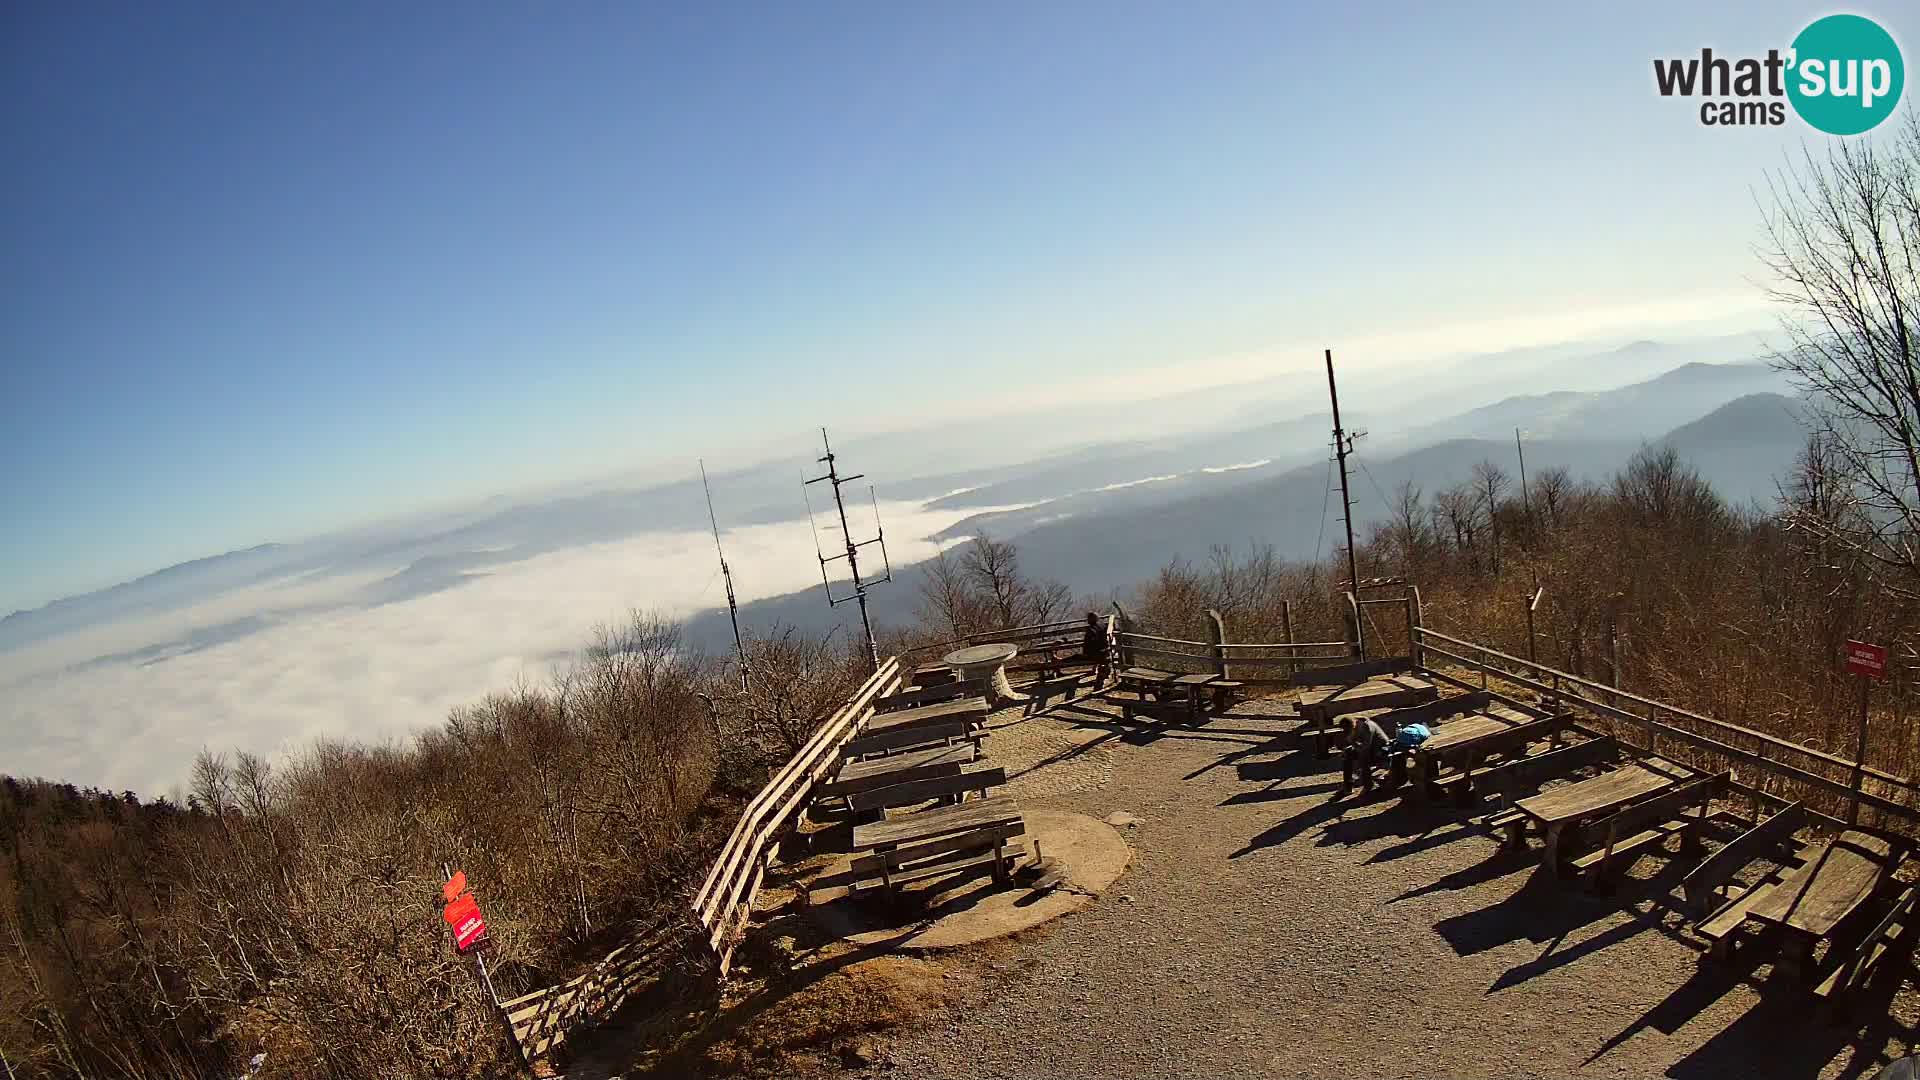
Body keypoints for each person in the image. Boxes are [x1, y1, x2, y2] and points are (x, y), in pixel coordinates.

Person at [1339, 719, 1430, 796]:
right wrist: (1350, 745)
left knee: (1363, 758)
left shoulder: (1367, 727)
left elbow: (1365, 747)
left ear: (1353, 726)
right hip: (1369, 749)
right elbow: (1356, 743)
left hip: (1381, 750)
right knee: (1347, 754)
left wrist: (1352, 743)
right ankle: (1348, 786)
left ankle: (1368, 785)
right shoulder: (1355, 726)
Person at [1080, 612, 1111, 687]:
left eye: (1088, 618)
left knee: (1075, 657)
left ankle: (1059, 661)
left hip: (1094, 654)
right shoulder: (1103, 626)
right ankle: (1103, 675)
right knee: (1104, 662)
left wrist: (1086, 651)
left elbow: (1090, 643)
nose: (1087, 620)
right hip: (1104, 651)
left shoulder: (1091, 629)